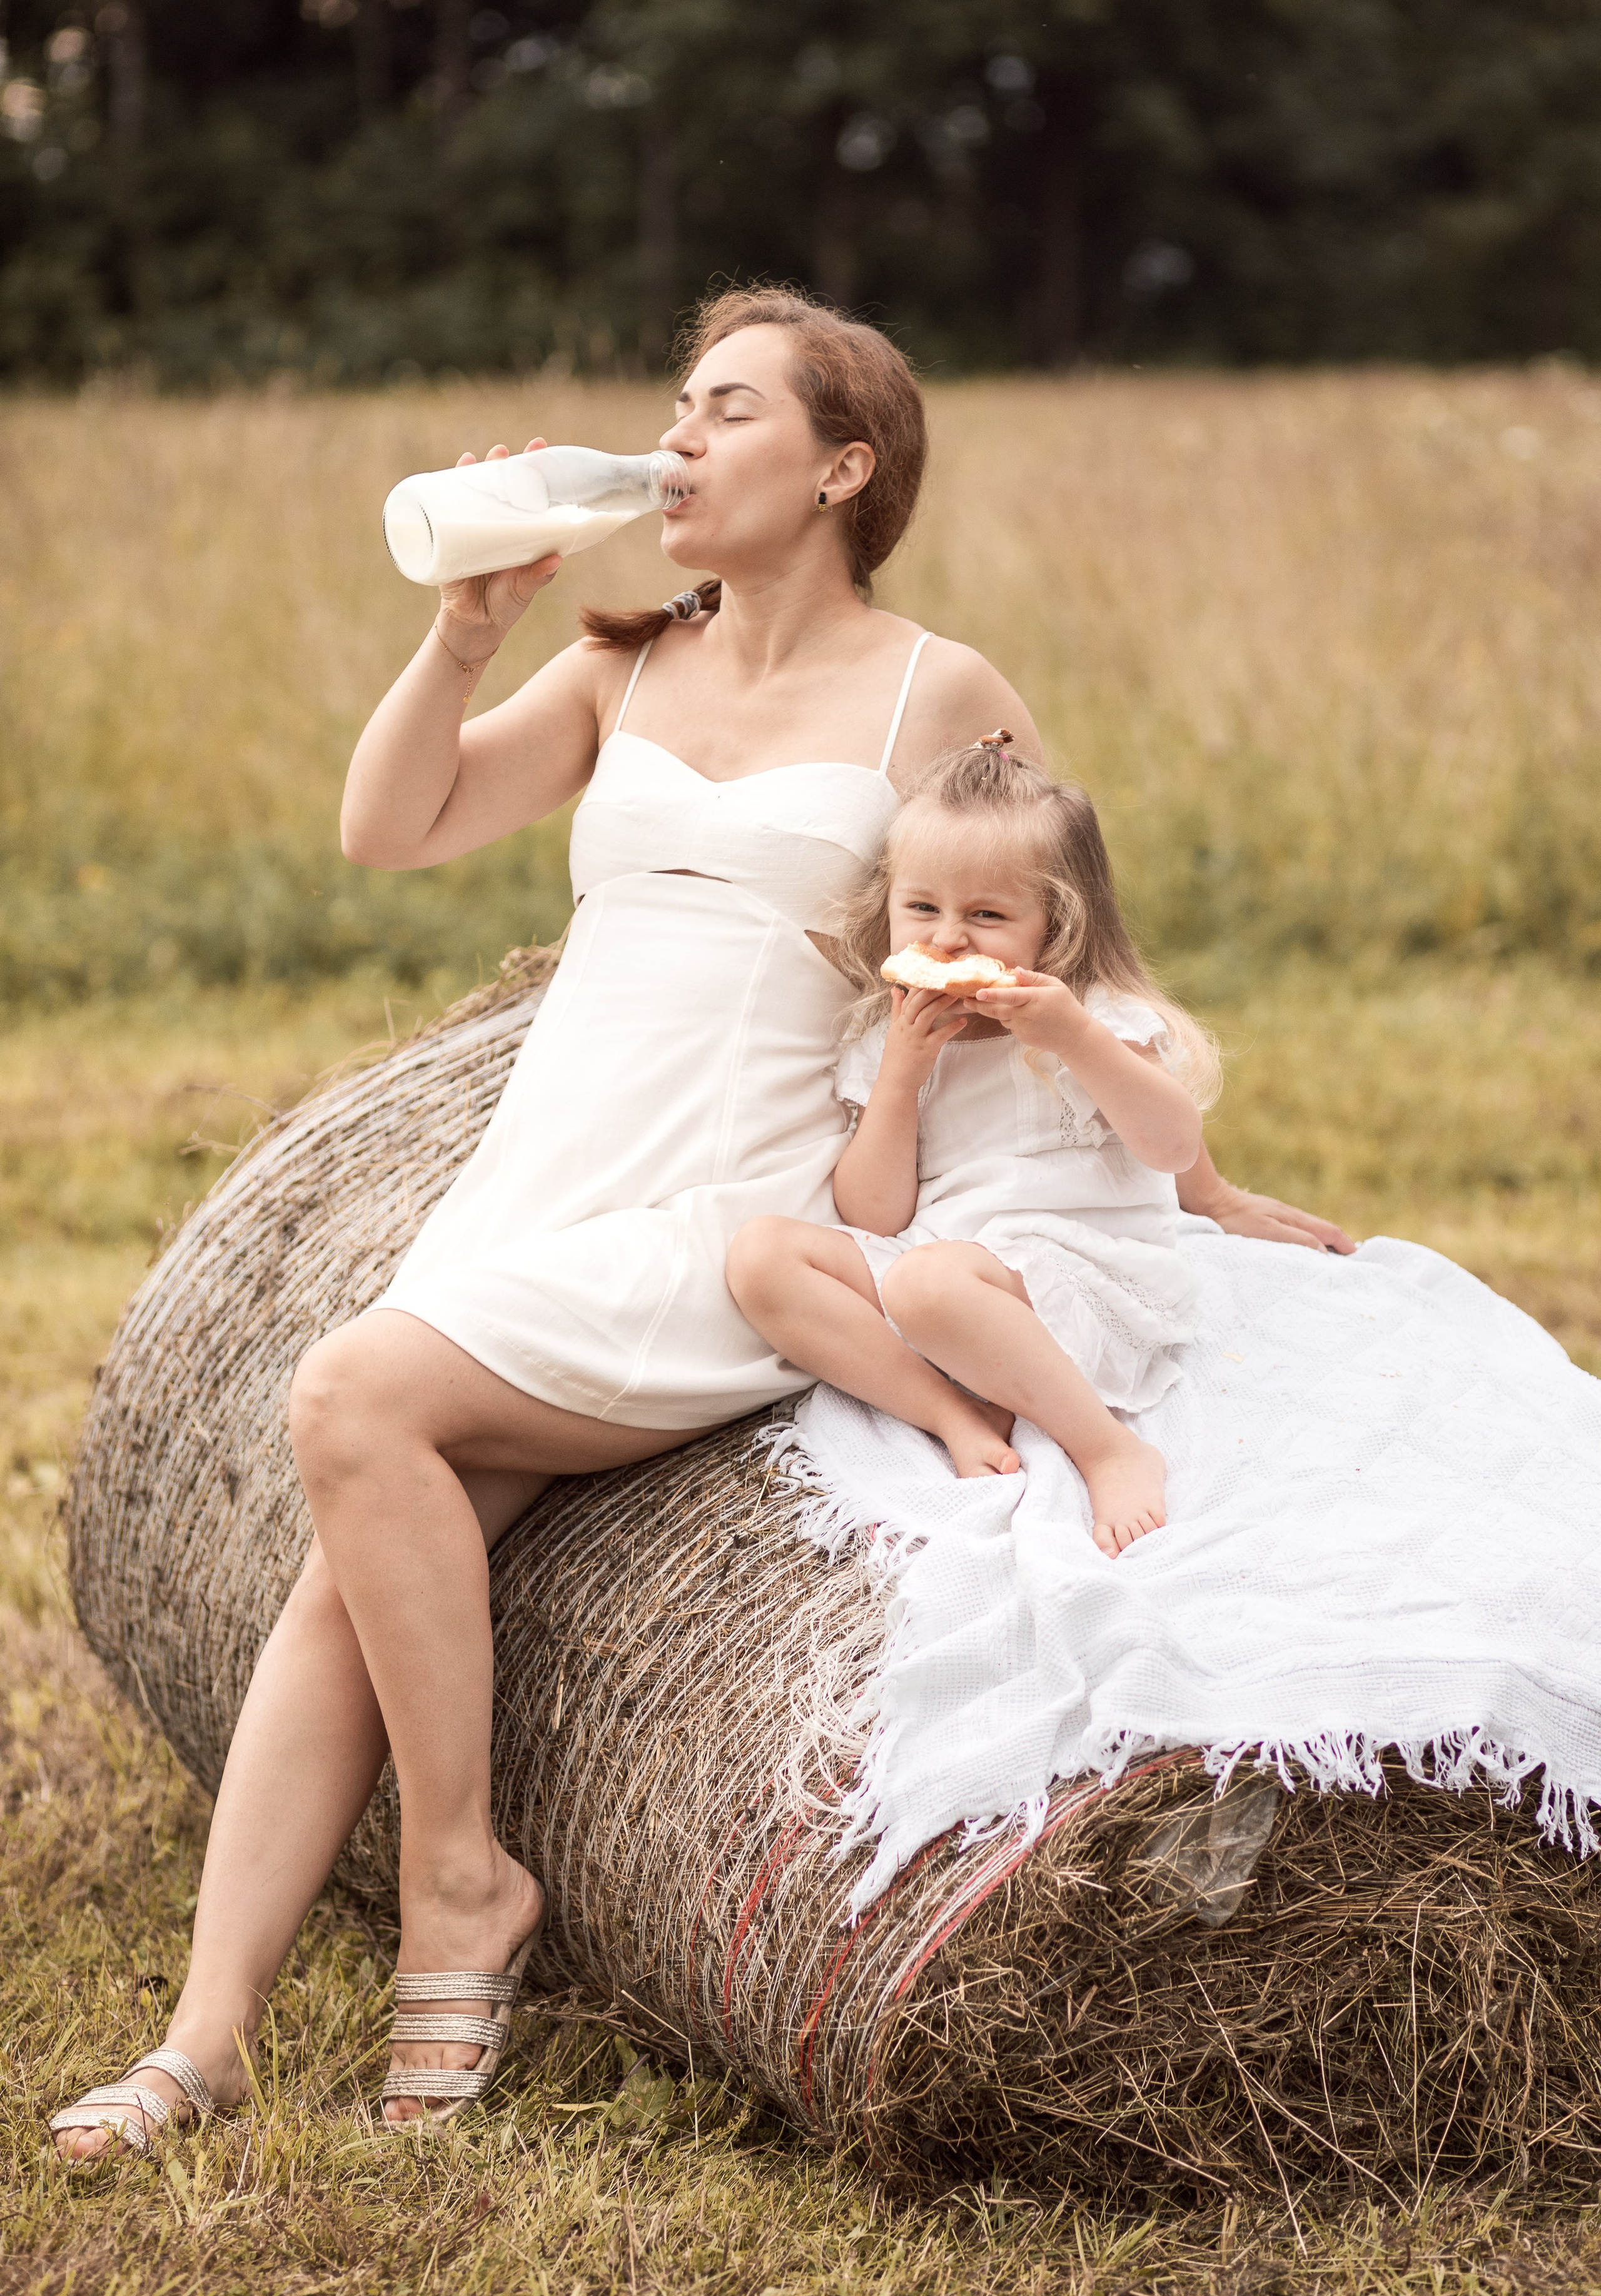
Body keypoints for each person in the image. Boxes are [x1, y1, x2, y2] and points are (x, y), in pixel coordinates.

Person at [49, 284, 1349, 2162]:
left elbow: (1058, 923)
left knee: (350, 1397)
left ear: (844, 463)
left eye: (721, 408)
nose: (672, 438)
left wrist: (1194, 1176)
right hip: (546, 1177)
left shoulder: (938, 690)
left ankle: (459, 1885)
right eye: (673, 402)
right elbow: (390, 825)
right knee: (348, 1573)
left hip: (734, 1202)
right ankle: (207, 2035)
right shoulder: (621, 666)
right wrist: (461, 628)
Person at [727, 738, 1218, 1556]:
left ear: (1053, 926)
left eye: (986, 916)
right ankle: (953, 1411)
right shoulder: (890, 1039)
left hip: (1076, 1273)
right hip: (946, 1264)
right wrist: (900, 1075)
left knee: (927, 1283)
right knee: (759, 1256)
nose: (949, 939)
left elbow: (1171, 1147)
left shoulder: (1091, 1019)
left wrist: (1076, 1037)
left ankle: (1109, 1448)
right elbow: (876, 1211)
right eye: (924, 910)